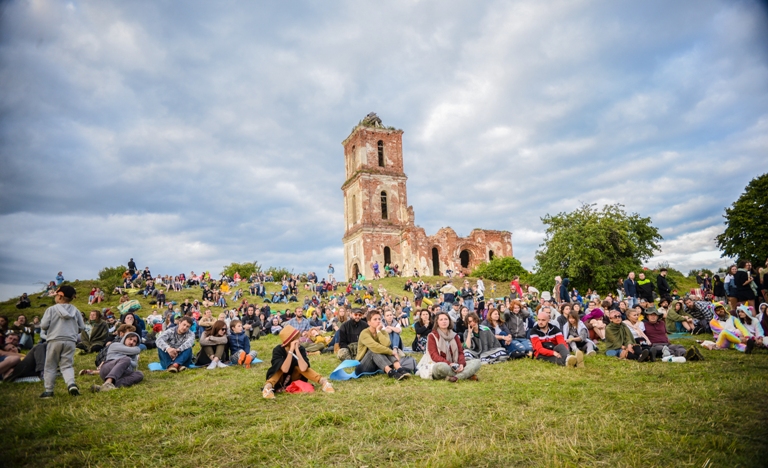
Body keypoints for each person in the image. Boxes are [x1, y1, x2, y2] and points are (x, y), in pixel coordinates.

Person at [262, 325, 334, 399]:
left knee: (299, 367)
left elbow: (303, 368)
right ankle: (267, 388)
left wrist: (296, 350)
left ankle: (324, 382)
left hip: (293, 379)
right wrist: (291, 351)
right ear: (290, 341)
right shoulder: (278, 350)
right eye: (297, 338)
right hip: (279, 379)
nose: (299, 340)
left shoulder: (300, 349)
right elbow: (285, 369)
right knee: (279, 367)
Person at [40, 285, 86, 398]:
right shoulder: (75, 310)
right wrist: (73, 330)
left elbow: (44, 325)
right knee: (67, 365)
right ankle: (71, 384)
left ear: (60, 296)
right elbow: (82, 327)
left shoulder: (51, 309)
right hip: (70, 341)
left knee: (50, 365)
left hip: (54, 340)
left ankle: (49, 391)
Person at [355, 309, 410, 380]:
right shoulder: (364, 333)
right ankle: (390, 372)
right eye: (375, 319)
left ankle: (400, 369)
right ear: (369, 323)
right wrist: (392, 352)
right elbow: (375, 347)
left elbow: (387, 344)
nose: (378, 321)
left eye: (379, 319)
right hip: (363, 366)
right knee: (374, 350)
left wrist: (378, 331)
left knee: (385, 349)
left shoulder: (382, 331)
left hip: (378, 364)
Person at [427, 311, 481, 381]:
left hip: (456, 364)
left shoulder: (454, 335)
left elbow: (460, 352)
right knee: (440, 367)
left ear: (449, 321)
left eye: (446, 319)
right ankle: (466, 374)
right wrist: (450, 364)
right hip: (441, 365)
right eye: (441, 320)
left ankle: (455, 378)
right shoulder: (432, 336)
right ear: (437, 322)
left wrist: (461, 364)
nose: (444, 321)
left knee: (477, 362)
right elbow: (434, 356)